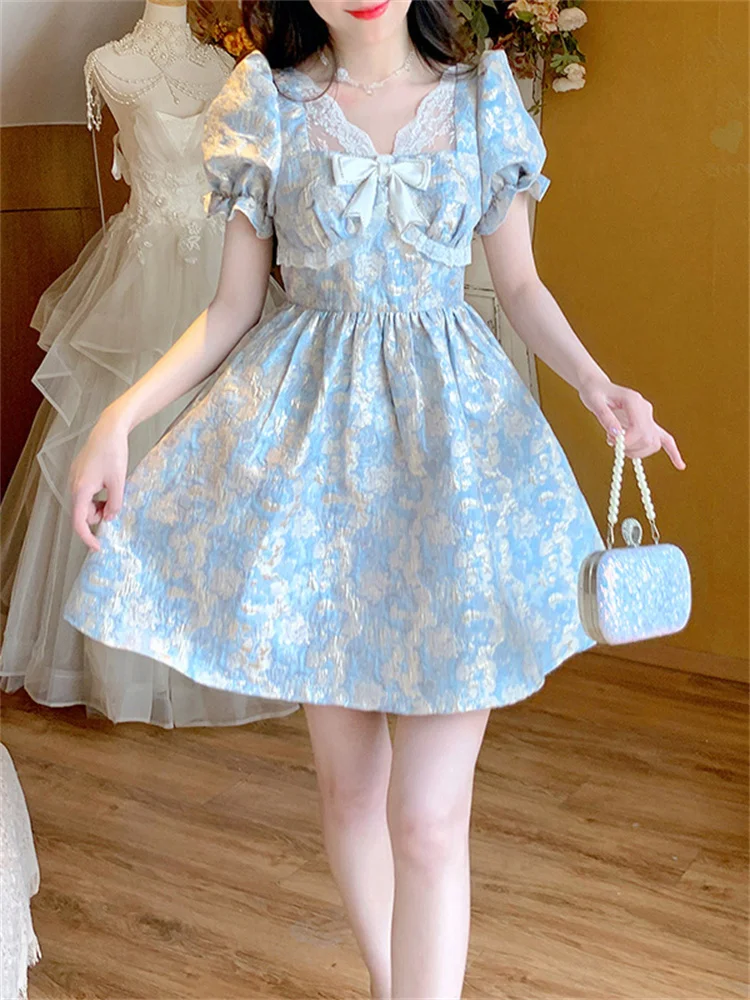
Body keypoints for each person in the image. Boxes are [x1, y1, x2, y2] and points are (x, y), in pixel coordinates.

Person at [62, 1, 687, 996]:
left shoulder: (482, 100)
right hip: (318, 467)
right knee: (350, 792)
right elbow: (231, 309)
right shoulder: (265, 103)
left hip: (454, 463)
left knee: (430, 817)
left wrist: (595, 383)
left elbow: (520, 287)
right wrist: (117, 419)